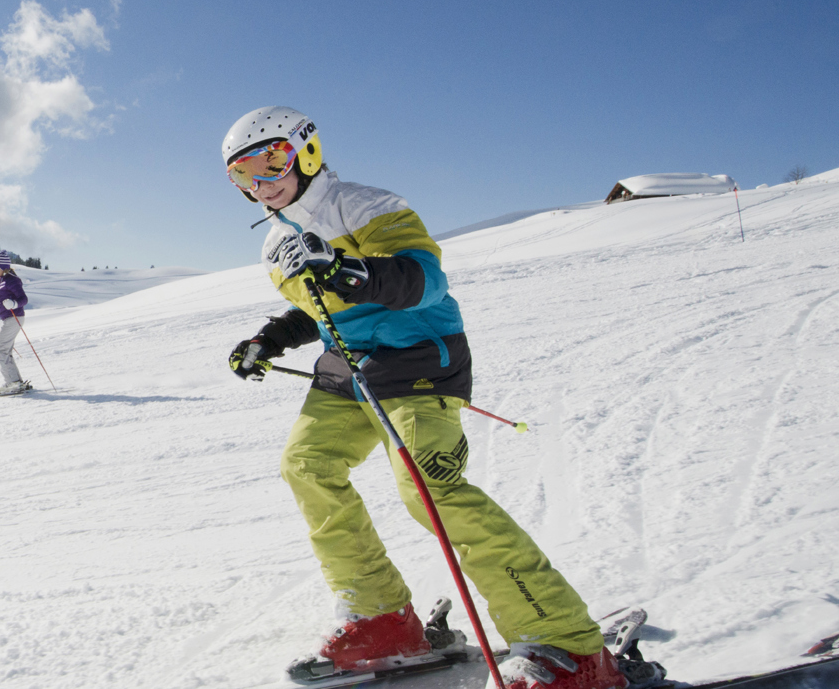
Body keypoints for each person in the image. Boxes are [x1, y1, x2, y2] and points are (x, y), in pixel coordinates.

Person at [219, 107, 624, 689]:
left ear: (305, 151)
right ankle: (382, 617)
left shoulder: (364, 206)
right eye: (242, 175)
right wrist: (271, 338)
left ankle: (567, 644)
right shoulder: (277, 241)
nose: (261, 182)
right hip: (348, 368)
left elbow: (423, 278)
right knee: (306, 466)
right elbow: (317, 305)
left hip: (417, 358)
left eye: (271, 160)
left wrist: (345, 268)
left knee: (429, 487)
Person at [0, 251, 33, 396]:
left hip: (15, 318)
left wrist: (14, 303)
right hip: (10, 319)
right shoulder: (2, 280)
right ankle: (16, 382)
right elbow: (2, 303)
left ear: (2, 266)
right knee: (5, 351)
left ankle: (12, 383)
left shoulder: (12, 280)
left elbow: (23, 299)